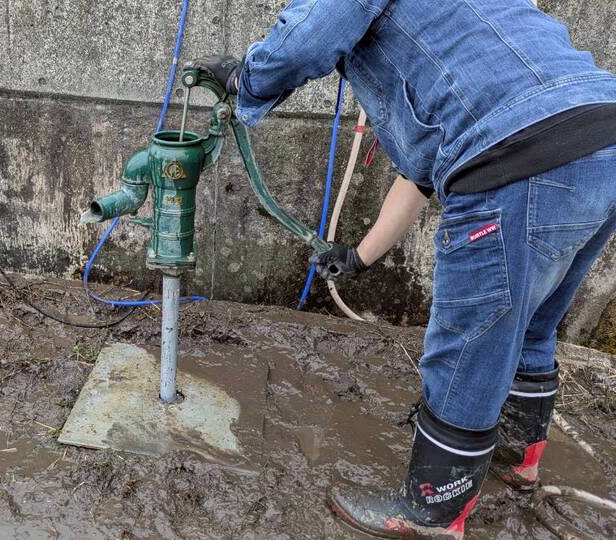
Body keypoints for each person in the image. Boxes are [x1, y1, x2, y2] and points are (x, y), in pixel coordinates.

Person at [191, 1, 616, 538]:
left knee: (469, 342)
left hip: (518, 156)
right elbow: (423, 174)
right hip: (601, 140)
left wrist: (245, 79)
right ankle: (514, 457)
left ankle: (433, 511)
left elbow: (309, 35)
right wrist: (359, 256)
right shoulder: (460, 33)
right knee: (530, 323)